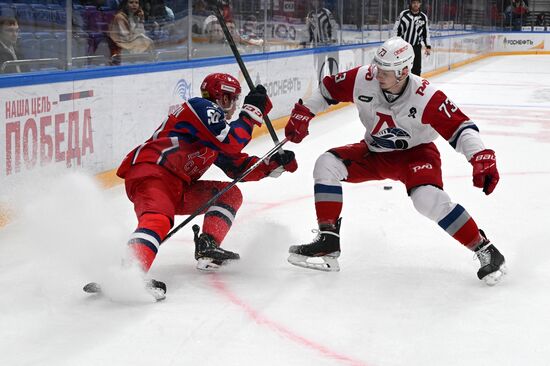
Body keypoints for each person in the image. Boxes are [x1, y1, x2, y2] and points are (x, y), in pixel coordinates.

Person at [283, 37, 506, 286]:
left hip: (416, 154)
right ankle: (328, 240)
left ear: (404, 71)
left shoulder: (426, 96)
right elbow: (326, 91)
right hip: (374, 152)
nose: (378, 74)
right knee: (326, 164)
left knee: (427, 200)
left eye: (386, 71)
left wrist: (479, 155)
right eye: (377, 67)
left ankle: (484, 248)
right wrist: (305, 112)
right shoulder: (363, 78)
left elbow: (461, 127)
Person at [116, 73, 297, 298]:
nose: (234, 106)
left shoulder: (214, 129)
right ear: (220, 97)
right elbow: (232, 143)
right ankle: (128, 275)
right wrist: (252, 112)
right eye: (232, 99)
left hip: (177, 186)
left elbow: (236, 168)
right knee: (158, 220)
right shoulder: (200, 107)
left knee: (228, 194)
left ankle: (208, 246)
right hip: (154, 172)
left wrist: (271, 164)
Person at [393, 0, 431, 76]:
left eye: (417, 3)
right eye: (414, 3)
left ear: (420, 4)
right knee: (402, 68)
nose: (415, 4)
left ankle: (415, 86)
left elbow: (425, 33)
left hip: (416, 47)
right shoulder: (403, 14)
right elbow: (396, 29)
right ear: (411, 3)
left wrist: (428, 46)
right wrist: (395, 43)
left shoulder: (423, 17)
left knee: (416, 69)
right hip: (403, 46)